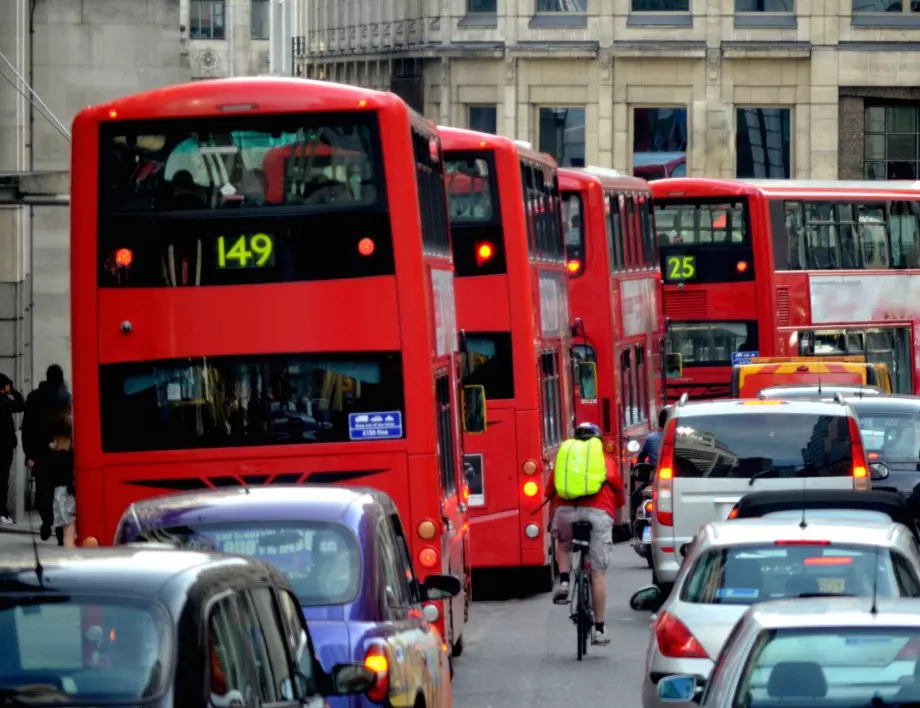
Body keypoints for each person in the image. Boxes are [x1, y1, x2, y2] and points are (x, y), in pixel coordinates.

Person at [545, 422, 626, 646]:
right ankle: (600, 628)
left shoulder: (563, 461)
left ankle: (563, 581)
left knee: (563, 545)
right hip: (598, 513)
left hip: (565, 513)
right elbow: (619, 496)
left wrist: (554, 523)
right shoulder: (604, 460)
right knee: (597, 573)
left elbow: (550, 492)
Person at [22, 364, 72, 541]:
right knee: (61, 492)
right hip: (62, 453)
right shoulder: (66, 398)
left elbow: (26, 428)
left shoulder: (34, 397)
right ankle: (60, 527)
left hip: (40, 452)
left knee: (43, 490)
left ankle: (46, 521)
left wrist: (28, 453)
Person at [47, 412, 75, 547]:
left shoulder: (52, 455)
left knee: (62, 520)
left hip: (58, 492)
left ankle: (62, 540)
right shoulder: (72, 455)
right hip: (70, 491)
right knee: (69, 522)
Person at [0, 373, 25, 524]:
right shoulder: (5, 402)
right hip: (4, 446)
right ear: (6, 386)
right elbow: (21, 405)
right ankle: (2, 512)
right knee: (3, 479)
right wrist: (13, 391)